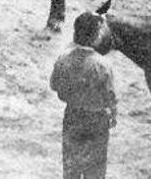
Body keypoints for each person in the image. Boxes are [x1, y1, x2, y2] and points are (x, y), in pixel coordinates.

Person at [50, 12, 118, 179]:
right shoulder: (103, 65)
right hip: (97, 120)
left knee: (71, 167)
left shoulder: (64, 59)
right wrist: (113, 114)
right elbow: (110, 96)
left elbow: (54, 85)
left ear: (75, 33)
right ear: (96, 37)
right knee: (95, 170)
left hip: (72, 116)